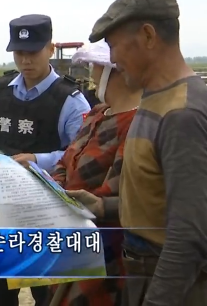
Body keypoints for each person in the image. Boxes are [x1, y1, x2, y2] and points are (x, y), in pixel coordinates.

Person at [68, 0, 207, 306]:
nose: (113, 58)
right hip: (151, 273)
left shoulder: (182, 113)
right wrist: (105, 206)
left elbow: (188, 238)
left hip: (185, 288)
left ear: (148, 36)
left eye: (115, 46)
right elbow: (162, 199)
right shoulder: (155, 98)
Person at [0, 14, 91, 306]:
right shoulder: (0, 89)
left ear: (50, 49)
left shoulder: (71, 100)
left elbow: (82, 152)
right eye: (19, 52)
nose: (25, 60)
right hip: (3, 203)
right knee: (0, 289)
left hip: (47, 209)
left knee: (45, 292)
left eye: (33, 52)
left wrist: (39, 159)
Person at [45, 40, 141, 306]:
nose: (91, 75)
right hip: (69, 238)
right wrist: (55, 185)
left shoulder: (137, 124)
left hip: (104, 250)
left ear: (116, 72)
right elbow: (66, 159)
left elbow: (113, 192)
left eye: (96, 69)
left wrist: (70, 201)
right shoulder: (98, 113)